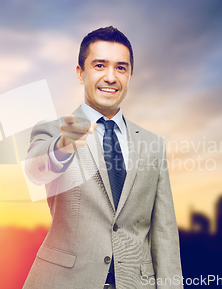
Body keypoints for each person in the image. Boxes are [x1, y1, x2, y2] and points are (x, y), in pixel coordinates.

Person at [23, 26, 182, 289]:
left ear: (130, 76)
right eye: (99, 65)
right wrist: (64, 145)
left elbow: (164, 232)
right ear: (80, 72)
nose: (111, 77)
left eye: (121, 68)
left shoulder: (153, 144)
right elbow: (35, 170)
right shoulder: (55, 131)